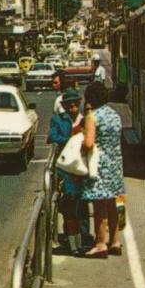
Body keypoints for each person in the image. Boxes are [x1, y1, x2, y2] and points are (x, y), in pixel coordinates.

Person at [80, 81, 125, 259]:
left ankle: (100, 244)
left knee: (100, 205)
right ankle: (115, 241)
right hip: (115, 164)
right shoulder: (115, 115)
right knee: (113, 204)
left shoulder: (93, 116)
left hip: (100, 165)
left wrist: (81, 144)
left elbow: (89, 143)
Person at [48, 88, 85, 254]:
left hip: (82, 167)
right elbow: (52, 137)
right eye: (70, 105)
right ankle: (72, 243)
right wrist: (70, 139)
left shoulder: (84, 120)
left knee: (83, 205)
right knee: (69, 206)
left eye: (76, 104)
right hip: (66, 169)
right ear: (65, 106)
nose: (73, 108)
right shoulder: (58, 120)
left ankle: (83, 238)